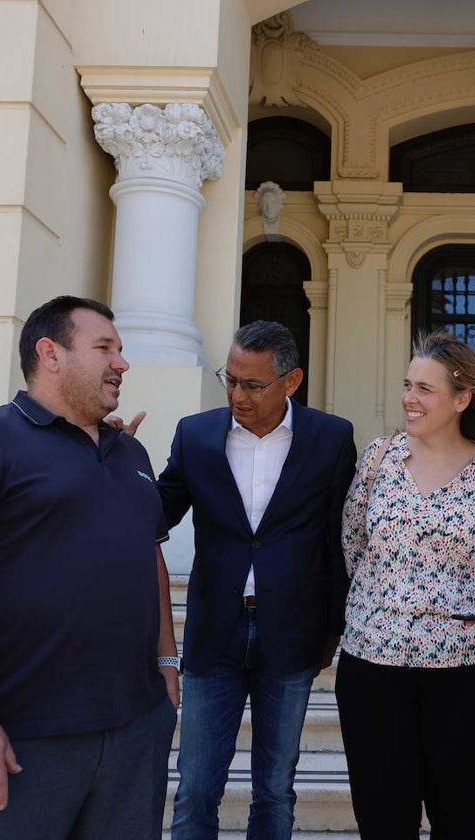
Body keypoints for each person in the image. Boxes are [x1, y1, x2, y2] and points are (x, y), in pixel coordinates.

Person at [0, 295, 179, 840]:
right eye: (104, 348)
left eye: (121, 350)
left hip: (132, 733)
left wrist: (168, 669)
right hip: (19, 740)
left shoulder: (131, 456)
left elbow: (149, 555)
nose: (122, 363)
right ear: (50, 353)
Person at [336, 331, 475, 840]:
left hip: (470, 676)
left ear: (462, 400)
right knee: (382, 821)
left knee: (459, 821)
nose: (409, 399)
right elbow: (353, 543)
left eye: (425, 389)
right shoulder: (378, 459)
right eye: (407, 385)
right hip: (374, 667)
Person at [158, 321, 356, 840]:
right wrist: (110, 462)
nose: (237, 395)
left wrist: (333, 628)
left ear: (291, 382)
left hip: (291, 634)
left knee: (274, 787)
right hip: (213, 633)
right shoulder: (196, 435)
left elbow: (337, 541)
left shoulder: (332, 438)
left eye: (252, 384)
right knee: (196, 786)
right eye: (231, 380)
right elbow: (156, 515)